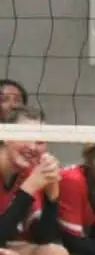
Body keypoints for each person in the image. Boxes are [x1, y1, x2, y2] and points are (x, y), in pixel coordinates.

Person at [0, 107, 65, 255]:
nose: (32, 147)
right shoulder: (32, 179)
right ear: (4, 136)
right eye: (25, 136)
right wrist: (29, 188)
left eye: (40, 141)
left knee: (54, 252)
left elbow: (43, 237)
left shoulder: (30, 172)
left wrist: (52, 197)